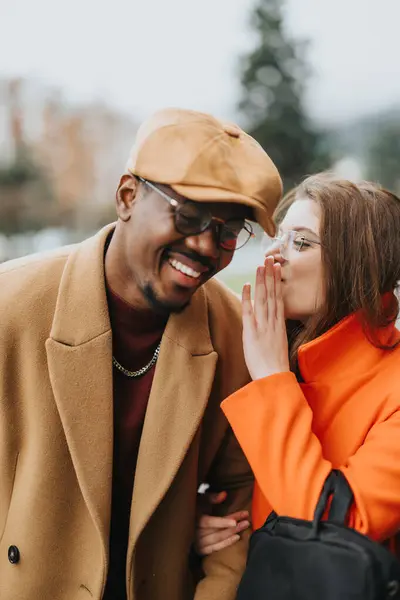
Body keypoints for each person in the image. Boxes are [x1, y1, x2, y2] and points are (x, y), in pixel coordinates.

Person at [0, 107, 283, 600]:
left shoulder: (235, 333)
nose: (205, 245)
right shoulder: (12, 307)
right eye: (188, 214)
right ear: (128, 196)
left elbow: (236, 507)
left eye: (229, 231)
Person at [195, 174, 400, 562]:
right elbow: (242, 493)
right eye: (278, 236)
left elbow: (337, 527)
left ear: (359, 264)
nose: (274, 254)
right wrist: (203, 525)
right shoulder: (264, 354)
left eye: (301, 242)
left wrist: (273, 379)